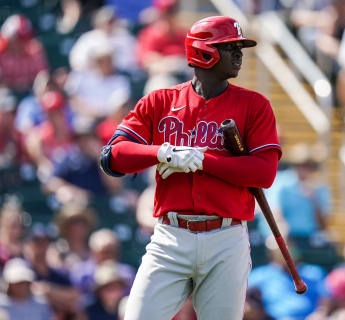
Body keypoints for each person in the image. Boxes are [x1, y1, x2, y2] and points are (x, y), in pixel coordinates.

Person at [100, 16, 281, 319]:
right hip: (171, 235)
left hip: (227, 237)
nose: (239, 53)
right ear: (202, 52)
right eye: (229, 46)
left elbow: (264, 173)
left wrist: (201, 160)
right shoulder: (160, 101)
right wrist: (164, 153)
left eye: (240, 46)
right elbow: (112, 157)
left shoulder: (255, 105)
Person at [0, 14, 48, 93]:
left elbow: (43, 78)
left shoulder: (34, 50)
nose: (22, 43)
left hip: (29, 96)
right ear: (8, 37)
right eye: (19, 38)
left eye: (25, 38)